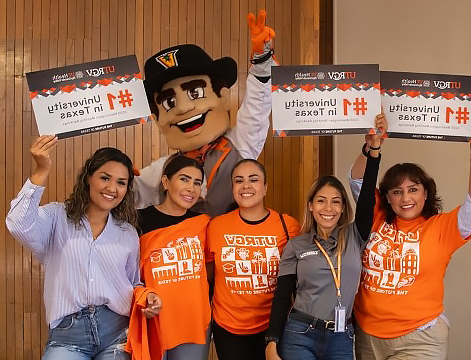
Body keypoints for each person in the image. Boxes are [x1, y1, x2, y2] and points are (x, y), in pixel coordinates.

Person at [6, 135, 161, 360]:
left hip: (117, 332)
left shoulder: (127, 232)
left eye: (121, 182)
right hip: (68, 335)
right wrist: (41, 170)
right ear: (89, 177)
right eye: (105, 178)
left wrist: (148, 298)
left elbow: (133, 282)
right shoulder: (57, 217)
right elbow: (18, 224)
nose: (112, 188)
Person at [349, 123, 471, 360]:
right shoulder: (376, 215)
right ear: (387, 197)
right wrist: (371, 147)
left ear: (426, 193)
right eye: (397, 191)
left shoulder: (441, 227)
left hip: (419, 338)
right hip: (367, 335)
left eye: (413, 189)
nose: (406, 198)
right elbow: (357, 181)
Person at [264, 115, 387, 360]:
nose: (328, 208)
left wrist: (373, 150)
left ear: (343, 208)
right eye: (321, 201)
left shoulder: (355, 235)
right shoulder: (297, 245)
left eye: (335, 202)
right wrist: (271, 342)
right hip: (300, 333)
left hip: (342, 336)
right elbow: (282, 296)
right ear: (311, 206)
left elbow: (366, 201)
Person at [134, 10, 278, 217]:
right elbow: (130, 192)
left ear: (222, 95)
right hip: (186, 247)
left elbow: (257, 109)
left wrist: (262, 62)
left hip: (229, 243)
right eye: (169, 102)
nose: (183, 108)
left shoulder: (239, 145)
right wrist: (116, 173)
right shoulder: (165, 169)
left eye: (195, 92)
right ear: (157, 119)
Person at [206, 159, 300, 360]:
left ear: (265, 188)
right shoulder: (216, 226)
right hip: (228, 329)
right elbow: (209, 277)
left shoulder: (288, 226)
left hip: (274, 327)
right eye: (239, 180)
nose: (246, 186)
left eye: (253, 180)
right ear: (233, 188)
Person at [128, 155, 211, 360]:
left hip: (192, 320)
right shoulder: (138, 220)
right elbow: (127, 272)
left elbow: (211, 269)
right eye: (184, 179)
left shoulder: (203, 223)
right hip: (152, 317)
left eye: (197, 182)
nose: (191, 188)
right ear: (166, 182)